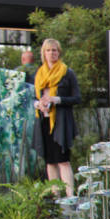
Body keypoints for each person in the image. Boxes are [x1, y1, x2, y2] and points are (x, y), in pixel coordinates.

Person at [32, 39, 80, 197]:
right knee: (50, 161)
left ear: (59, 52)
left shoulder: (67, 73)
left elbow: (77, 98)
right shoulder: (39, 74)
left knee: (63, 160)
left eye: (54, 50)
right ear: (43, 53)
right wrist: (37, 104)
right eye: (48, 50)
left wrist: (57, 100)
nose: (51, 53)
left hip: (61, 122)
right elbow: (34, 97)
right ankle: (56, 198)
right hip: (44, 121)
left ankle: (70, 197)